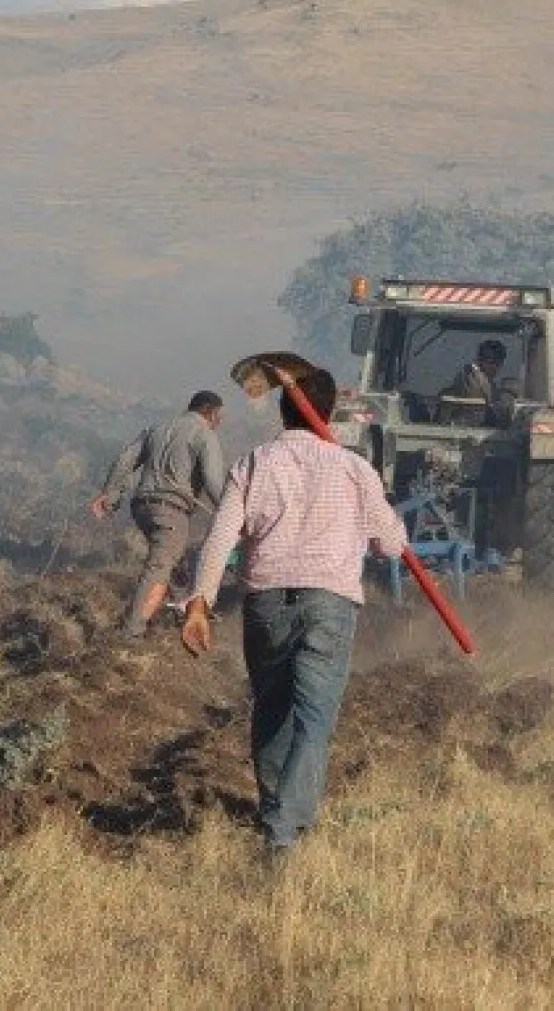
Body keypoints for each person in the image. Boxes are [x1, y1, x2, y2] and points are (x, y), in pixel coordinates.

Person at [179, 368, 409, 860]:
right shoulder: (354, 469)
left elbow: (221, 536)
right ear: (328, 414)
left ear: (285, 413)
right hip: (329, 603)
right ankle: (284, 831)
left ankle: (275, 813)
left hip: (266, 602)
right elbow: (392, 545)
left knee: (272, 710)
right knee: (313, 718)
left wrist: (200, 600)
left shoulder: (257, 463)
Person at [89, 391, 227, 638]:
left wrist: (110, 495)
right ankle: (130, 635)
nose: (220, 422)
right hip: (171, 511)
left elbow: (124, 460)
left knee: (172, 560)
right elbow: (214, 481)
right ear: (213, 413)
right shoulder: (204, 434)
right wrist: (232, 515)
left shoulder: (157, 429)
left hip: (142, 507)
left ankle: (179, 609)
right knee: (160, 568)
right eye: (220, 416)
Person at [440, 339, 508, 424]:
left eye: (498, 363)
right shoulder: (468, 378)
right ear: (479, 359)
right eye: (490, 361)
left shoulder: (491, 384)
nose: (494, 367)